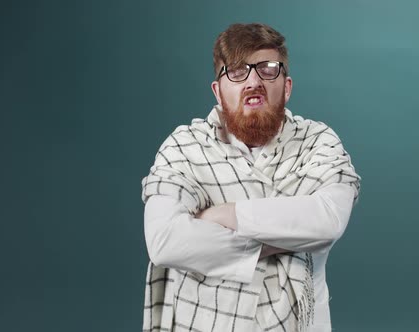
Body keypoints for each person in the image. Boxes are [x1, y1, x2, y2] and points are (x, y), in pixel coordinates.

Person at [141, 23, 361, 332]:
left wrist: (225, 214)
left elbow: (327, 221)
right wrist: (278, 240)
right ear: (218, 92)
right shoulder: (184, 147)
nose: (253, 81)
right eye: (236, 71)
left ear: (286, 85)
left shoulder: (317, 141)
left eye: (268, 69)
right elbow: (166, 242)